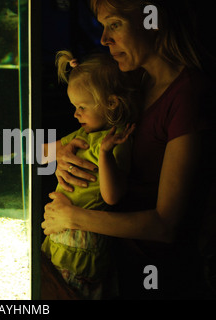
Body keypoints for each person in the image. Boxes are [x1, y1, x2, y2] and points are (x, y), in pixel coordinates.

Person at [41, 0, 216, 299]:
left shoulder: (187, 95)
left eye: (115, 24)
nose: (104, 39)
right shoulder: (134, 83)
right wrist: (63, 156)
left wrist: (71, 218)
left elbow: (166, 226)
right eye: (103, 27)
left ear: (152, 20)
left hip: (157, 277)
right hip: (111, 264)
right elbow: (46, 149)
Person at [41, 51, 138, 300]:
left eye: (82, 107)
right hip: (60, 232)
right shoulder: (82, 135)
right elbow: (42, 154)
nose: (76, 114)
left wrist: (105, 154)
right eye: (74, 107)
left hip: (83, 242)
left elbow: (112, 196)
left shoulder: (115, 141)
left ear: (112, 103)